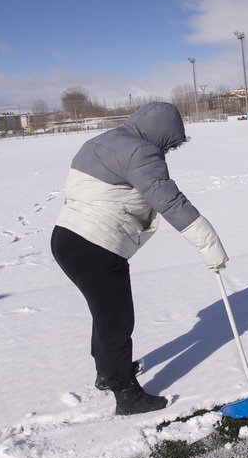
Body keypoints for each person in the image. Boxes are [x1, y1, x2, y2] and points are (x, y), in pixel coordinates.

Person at [51, 102, 227, 416]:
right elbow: (170, 202)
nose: (168, 151)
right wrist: (209, 245)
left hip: (66, 238)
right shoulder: (142, 153)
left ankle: (107, 373)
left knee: (105, 315)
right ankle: (126, 394)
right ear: (162, 135)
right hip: (97, 246)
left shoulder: (100, 142)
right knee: (117, 322)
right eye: (169, 144)